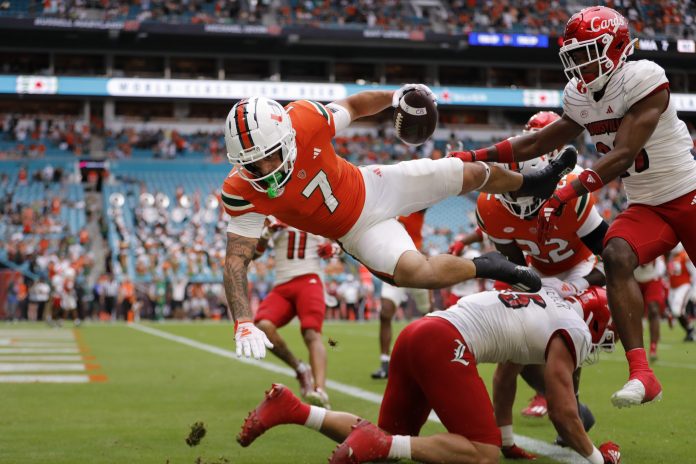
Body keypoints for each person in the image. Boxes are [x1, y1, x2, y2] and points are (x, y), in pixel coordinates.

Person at [448, 6, 696, 407]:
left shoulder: (644, 78)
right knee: (615, 254)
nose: (581, 62)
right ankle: (643, 374)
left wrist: (565, 192)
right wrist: (477, 155)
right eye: (575, 54)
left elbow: (623, 153)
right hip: (647, 205)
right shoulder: (581, 94)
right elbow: (538, 142)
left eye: (588, 51)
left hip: (687, 194)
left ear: (615, 47)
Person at [221, 85, 577, 359]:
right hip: (355, 231)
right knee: (416, 274)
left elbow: (357, 106)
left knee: (461, 172)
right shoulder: (241, 189)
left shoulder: (305, 119)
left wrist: (396, 96)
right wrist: (243, 321)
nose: (266, 170)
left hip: (373, 185)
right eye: (253, 164)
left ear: (285, 136)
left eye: (271, 156)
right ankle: (490, 266)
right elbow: (237, 258)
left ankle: (533, 182)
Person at [236, 286, 620, 464]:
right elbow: (562, 411)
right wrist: (595, 459)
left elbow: (506, 375)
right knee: (480, 454)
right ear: (595, 320)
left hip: (420, 332)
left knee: (388, 440)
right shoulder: (575, 329)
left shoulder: (547, 308)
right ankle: (383, 445)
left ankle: (294, 409)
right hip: (444, 342)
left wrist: (507, 440)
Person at [469, 110, 609, 457]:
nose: (520, 205)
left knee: (563, 343)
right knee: (512, 348)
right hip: (534, 269)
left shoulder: (573, 190)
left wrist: (577, 289)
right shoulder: (490, 205)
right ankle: (556, 407)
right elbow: (515, 265)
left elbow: (611, 258)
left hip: (577, 270)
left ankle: (569, 409)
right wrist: (535, 290)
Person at [252, 217, 339, 408]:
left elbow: (339, 242)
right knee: (262, 328)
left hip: (309, 279)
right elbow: (254, 254)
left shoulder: (316, 209)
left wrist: (332, 249)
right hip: (282, 284)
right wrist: (267, 233)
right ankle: (300, 369)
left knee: (311, 333)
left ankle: (320, 391)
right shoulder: (273, 213)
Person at [372, 210, 432, 379]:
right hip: (394, 265)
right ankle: (385, 363)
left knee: (428, 314)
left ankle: (431, 358)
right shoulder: (387, 208)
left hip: (417, 265)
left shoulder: (414, 204)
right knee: (385, 313)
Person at [633, 257, 668, 361]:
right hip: (634, 276)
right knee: (634, 311)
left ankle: (653, 347)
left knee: (654, 310)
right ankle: (637, 350)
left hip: (653, 275)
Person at [666, 244, 696, 342]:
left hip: (684, 285)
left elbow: (694, 272)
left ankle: (689, 329)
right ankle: (690, 330)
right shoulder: (671, 257)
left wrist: (694, 289)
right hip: (673, 287)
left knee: (676, 310)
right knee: (679, 312)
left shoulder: (685, 256)